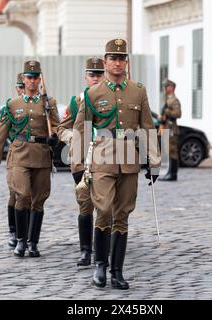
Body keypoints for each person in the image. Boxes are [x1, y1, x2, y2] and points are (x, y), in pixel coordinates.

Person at [73, 39, 161, 289]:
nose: (117, 62)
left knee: (122, 215)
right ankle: (100, 265)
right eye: (113, 58)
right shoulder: (93, 93)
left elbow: (147, 127)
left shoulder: (138, 91)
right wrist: (77, 165)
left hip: (129, 161)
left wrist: (153, 162)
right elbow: (81, 129)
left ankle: (117, 271)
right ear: (105, 62)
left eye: (121, 58)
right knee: (104, 211)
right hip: (102, 159)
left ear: (126, 62)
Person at [0, 61, 60, 258]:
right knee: (22, 195)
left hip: (42, 154)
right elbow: (1, 132)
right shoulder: (13, 104)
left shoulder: (48, 103)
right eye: (29, 77)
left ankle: (33, 243)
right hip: (19, 154)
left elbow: (58, 127)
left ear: (40, 79)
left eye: (35, 77)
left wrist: (56, 138)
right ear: (23, 79)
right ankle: (20, 240)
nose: (32, 81)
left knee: (39, 200)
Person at [57, 57, 105, 267]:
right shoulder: (77, 102)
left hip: (106, 160)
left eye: (99, 74)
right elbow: (61, 128)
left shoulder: (112, 100)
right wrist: (72, 139)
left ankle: (105, 248)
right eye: (92, 74)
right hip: (82, 162)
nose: (95, 78)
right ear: (86, 77)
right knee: (85, 205)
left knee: (106, 206)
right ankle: (86, 250)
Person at [0, 73, 29, 248]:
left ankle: (29, 236)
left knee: (32, 197)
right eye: (21, 87)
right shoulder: (10, 107)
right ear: (17, 88)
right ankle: (14, 231)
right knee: (15, 195)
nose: (24, 89)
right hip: (15, 156)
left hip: (34, 156)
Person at [159, 80, 182, 181]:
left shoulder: (174, 100)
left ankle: (173, 174)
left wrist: (167, 111)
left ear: (171, 88)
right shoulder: (167, 99)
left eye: (167, 87)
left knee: (173, 151)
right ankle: (169, 172)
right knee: (169, 151)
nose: (165, 89)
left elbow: (178, 114)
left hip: (172, 128)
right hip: (167, 127)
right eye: (165, 87)